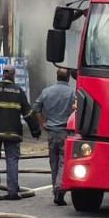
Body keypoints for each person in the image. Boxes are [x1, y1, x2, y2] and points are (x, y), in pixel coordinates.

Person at [0, 66, 38, 200]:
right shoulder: (18, 91)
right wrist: (35, 130)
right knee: (12, 159)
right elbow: (28, 114)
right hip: (12, 132)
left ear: (2, 74)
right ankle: (12, 190)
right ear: (13, 75)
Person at [33, 67, 76, 205]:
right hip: (66, 132)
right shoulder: (72, 92)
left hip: (51, 132)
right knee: (64, 161)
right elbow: (78, 108)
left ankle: (55, 189)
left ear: (57, 76)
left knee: (54, 163)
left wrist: (42, 123)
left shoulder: (47, 91)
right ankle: (59, 189)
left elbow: (36, 109)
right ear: (68, 78)